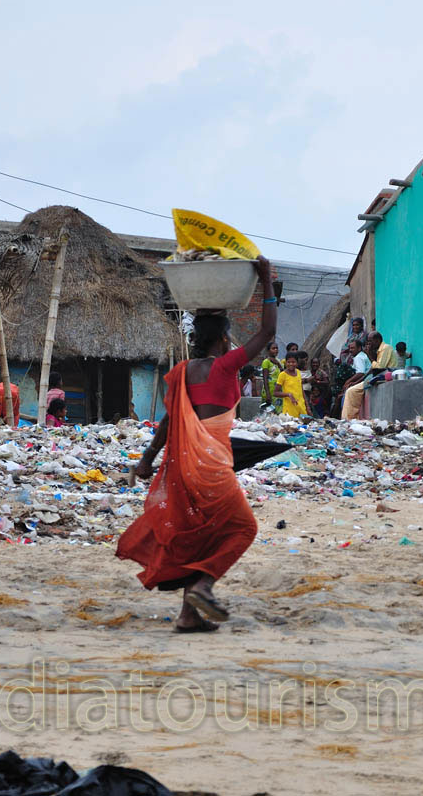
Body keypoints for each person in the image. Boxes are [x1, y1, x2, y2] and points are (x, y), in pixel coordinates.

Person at [117, 257, 277, 633]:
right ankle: (203, 586)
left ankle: (188, 616)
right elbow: (268, 333)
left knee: (204, 532)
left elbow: (168, 421)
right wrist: (267, 281)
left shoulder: (180, 374)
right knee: (243, 529)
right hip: (211, 467)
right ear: (223, 339)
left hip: (183, 468)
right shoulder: (225, 368)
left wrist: (145, 462)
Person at [342, 332, 395, 420]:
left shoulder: (386, 348)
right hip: (376, 375)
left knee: (351, 391)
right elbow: (370, 370)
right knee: (351, 390)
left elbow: (379, 367)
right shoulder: (378, 351)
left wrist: (369, 354)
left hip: (385, 375)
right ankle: (349, 417)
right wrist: (356, 382)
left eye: (370, 341)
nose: (369, 344)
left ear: (377, 340)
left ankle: (349, 418)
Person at [339, 339, 373, 420]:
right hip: (365, 379)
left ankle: (347, 418)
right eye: (350, 348)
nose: (350, 350)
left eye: (353, 348)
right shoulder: (362, 356)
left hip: (366, 380)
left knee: (347, 394)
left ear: (359, 348)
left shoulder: (359, 357)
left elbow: (360, 373)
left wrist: (349, 381)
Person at [274, 353, 308, 418]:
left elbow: (301, 390)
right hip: (289, 408)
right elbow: (275, 393)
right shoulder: (282, 375)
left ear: (297, 363)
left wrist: (307, 407)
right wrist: (288, 395)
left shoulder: (298, 372)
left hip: (301, 407)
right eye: (288, 362)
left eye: (293, 362)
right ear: (285, 363)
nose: (291, 364)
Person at [260, 341, 283, 409]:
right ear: (268, 350)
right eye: (273, 348)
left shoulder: (279, 361)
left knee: (278, 412)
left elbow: (283, 373)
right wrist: (268, 394)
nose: (276, 350)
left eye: (277, 348)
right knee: (269, 412)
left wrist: (278, 364)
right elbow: (265, 378)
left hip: (278, 391)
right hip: (269, 391)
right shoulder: (266, 362)